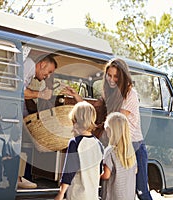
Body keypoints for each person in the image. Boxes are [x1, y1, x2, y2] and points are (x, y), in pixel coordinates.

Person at [62, 58, 153, 200]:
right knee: (112, 188)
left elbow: (117, 122)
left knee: (141, 190)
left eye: (115, 76)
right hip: (116, 145)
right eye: (109, 75)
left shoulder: (130, 95)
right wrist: (77, 97)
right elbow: (95, 109)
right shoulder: (109, 92)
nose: (111, 80)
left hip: (133, 146)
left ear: (122, 77)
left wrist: (89, 132)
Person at [19, 54, 58, 189]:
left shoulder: (29, 71)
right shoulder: (29, 65)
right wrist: (41, 94)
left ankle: (20, 176)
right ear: (42, 65)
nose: (48, 75)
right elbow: (19, 90)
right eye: (49, 71)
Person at [54, 101, 104, 200]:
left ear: (75, 120)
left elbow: (69, 171)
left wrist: (61, 193)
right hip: (92, 195)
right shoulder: (98, 144)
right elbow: (99, 172)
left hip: (77, 195)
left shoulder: (75, 143)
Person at [101, 112, 137, 200]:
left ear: (111, 131)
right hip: (129, 196)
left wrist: (94, 176)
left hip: (113, 196)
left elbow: (106, 175)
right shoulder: (131, 151)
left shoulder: (110, 151)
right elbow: (135, 171)